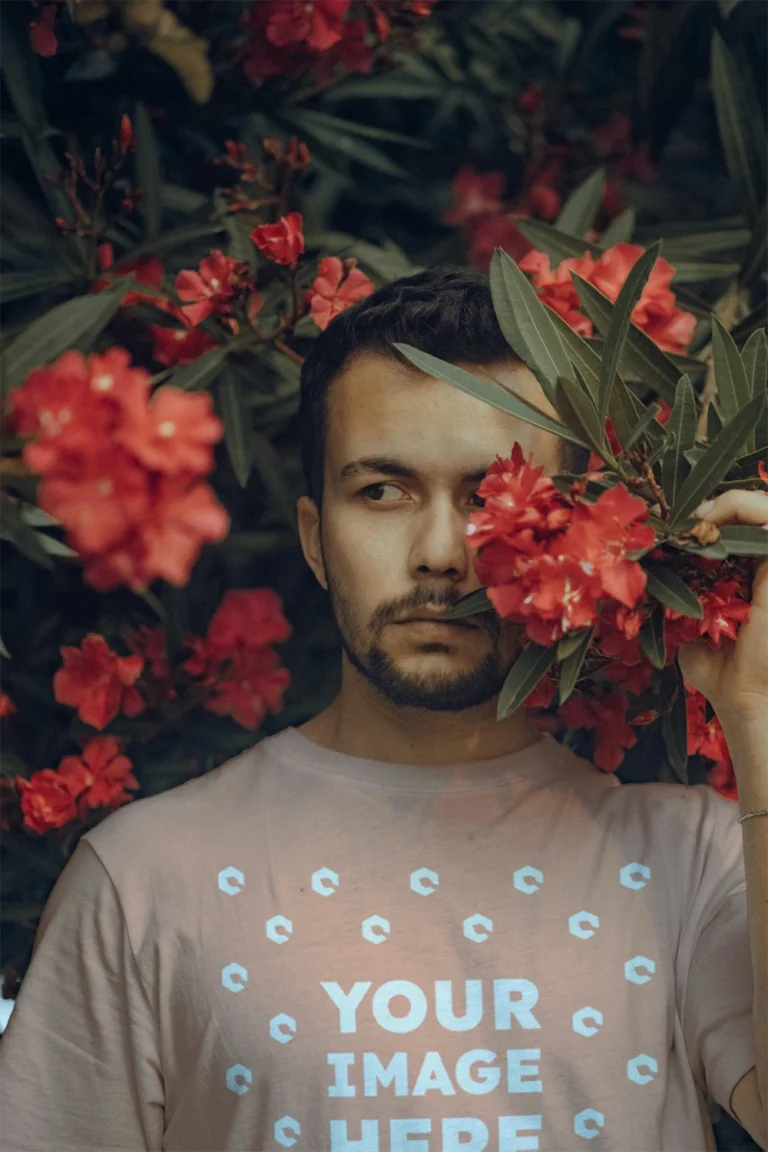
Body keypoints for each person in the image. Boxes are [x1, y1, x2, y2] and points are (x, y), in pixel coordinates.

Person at [0, 266, 757, 1151]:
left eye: (489, 497)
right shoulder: (143, 882)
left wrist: (760, 710)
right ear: (317, 542)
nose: (440, 554)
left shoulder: (696, 864)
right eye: (382, 492)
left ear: (577, 532)